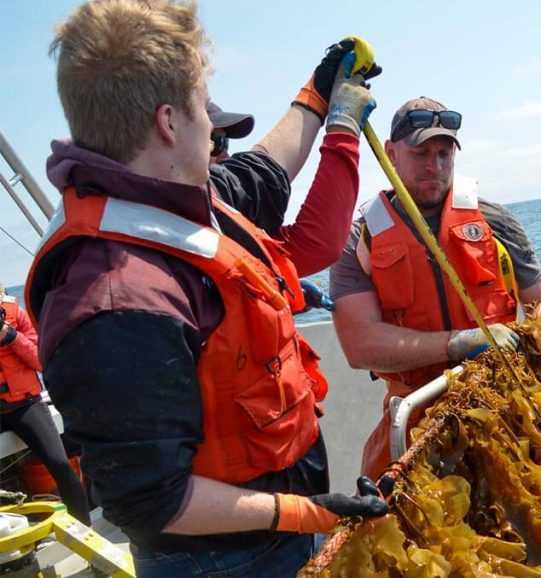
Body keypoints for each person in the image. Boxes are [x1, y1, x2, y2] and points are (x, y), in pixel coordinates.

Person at [25, 1, 387, 575]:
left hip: (283, 524)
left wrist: (321, 97)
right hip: (220, 561)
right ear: (170, 123)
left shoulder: (172, 199)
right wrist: (305, 512)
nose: (211, 128)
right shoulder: (117, 301)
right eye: (201, 107)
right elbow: (151, 500)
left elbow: (266, 168)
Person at [329, 96, 541, 479]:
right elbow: (360, 346)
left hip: (507, 404)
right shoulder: (359, 239)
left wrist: (534, 334)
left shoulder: (496, 220)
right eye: (421, 153)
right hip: (415, 417)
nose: (434, 166)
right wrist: (458, 343)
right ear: (391, 153)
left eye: (444, 153)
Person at [1, 283, 90, 524]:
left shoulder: (15, 313)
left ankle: (86, 533)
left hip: (24, 405)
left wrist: (11, 336)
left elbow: (40, 359)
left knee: (61, 465)